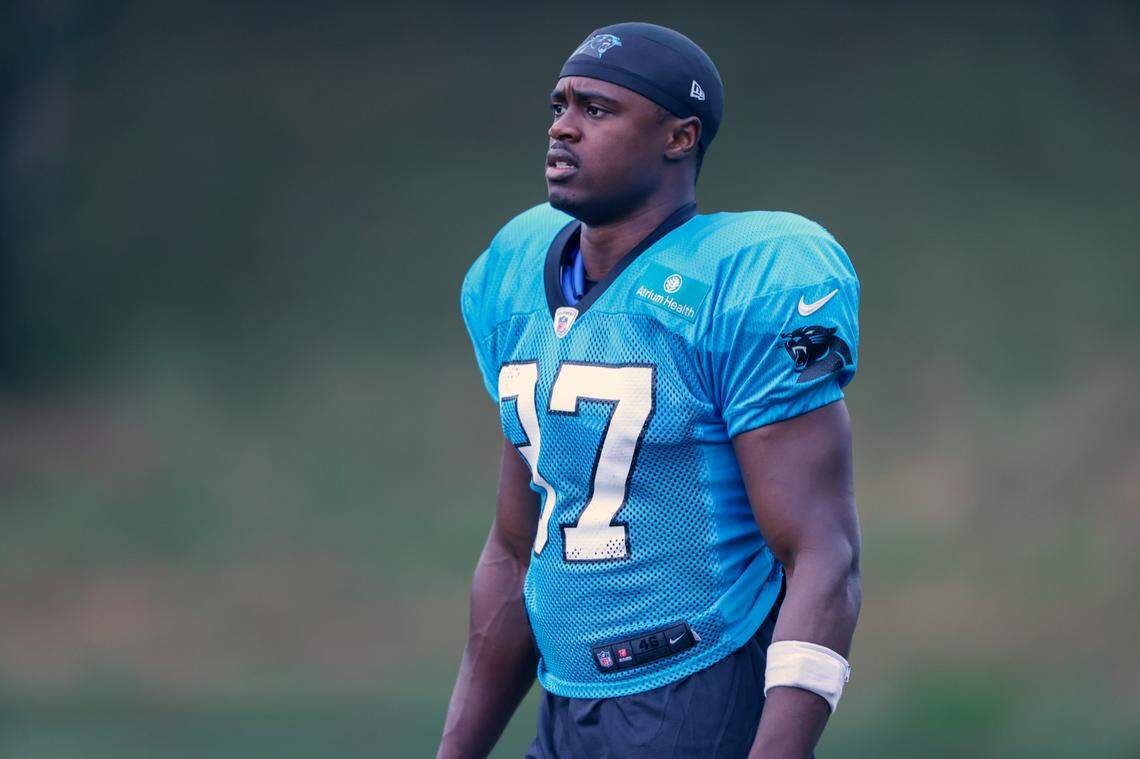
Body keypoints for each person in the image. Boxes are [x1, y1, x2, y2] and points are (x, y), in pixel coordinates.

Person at [439, 21, 861, 759]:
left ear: (679, 137)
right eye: (559, 106)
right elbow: (515, 547)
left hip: (696, 687)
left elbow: (823, 554)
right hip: (564, 697)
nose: (563, 128)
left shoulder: (744, 277)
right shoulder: (514, 271)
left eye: (597, 109)